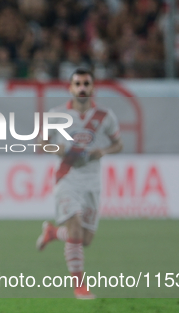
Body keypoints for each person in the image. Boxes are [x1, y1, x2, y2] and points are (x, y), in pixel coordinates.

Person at [36, 68, 123, 299]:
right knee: (75, 228)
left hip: (92, 182)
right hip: (68, 177)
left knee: (85, 239)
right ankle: (79, 286)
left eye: (86, 83)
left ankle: (53, 233)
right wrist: (59, 149)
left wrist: (102, 151)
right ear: (70, 88)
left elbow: (118, 144)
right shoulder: (56, 115)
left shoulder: (104, 116)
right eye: (78, 84)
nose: (82, 88)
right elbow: (42, 144)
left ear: (93, 87)